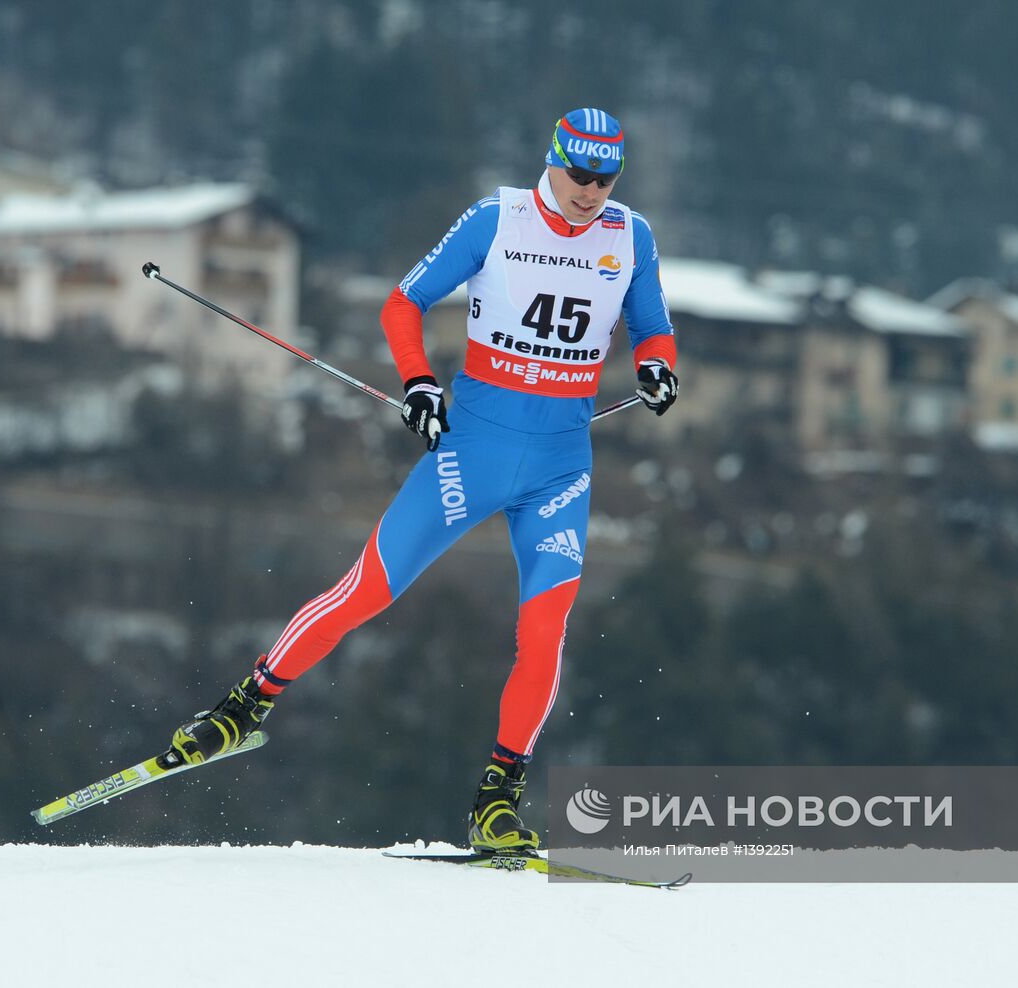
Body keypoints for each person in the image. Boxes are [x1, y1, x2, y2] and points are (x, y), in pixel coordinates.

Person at [168, 107, 678, 853]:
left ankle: (497, 798)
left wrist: (659, 365)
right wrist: (418, 383)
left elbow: (651, 323)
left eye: (606, 179)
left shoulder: (630, 235)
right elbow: (403, 302)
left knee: (544, 634)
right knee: (366, 590)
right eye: (579, 174)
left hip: (560, 468)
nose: (591, 192)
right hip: (470, 451)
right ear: (553, 160)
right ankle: (245, 703)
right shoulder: (494, 219)